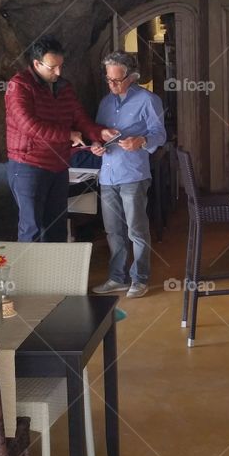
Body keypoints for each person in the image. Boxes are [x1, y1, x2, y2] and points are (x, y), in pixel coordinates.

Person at [5, 35, 118, 242]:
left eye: (61, 66)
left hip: (58, 166)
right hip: (28, 166)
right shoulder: (19, 86)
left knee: (57, 228)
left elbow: (79, 117)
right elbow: (29, 126)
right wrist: (67, 135)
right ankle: (30, 275)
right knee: (32, 229)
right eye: (52, 67)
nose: (58, 72)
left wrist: (99, 133)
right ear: (36, 63)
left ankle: (54, 274)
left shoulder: (63, 86)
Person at [91, 51, 166, 299]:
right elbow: (98, 134)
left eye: (117, 80)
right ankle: (117, 278)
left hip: (133, 173)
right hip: (108, 174)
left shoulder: (148, 100)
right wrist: (96, 145)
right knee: (113, 230)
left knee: (136, 229)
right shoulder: (104, 103)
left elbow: (160, 135)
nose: (112, 85)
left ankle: (140, 278)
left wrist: (142, 140)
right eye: (108, 79)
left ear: (132, 77)